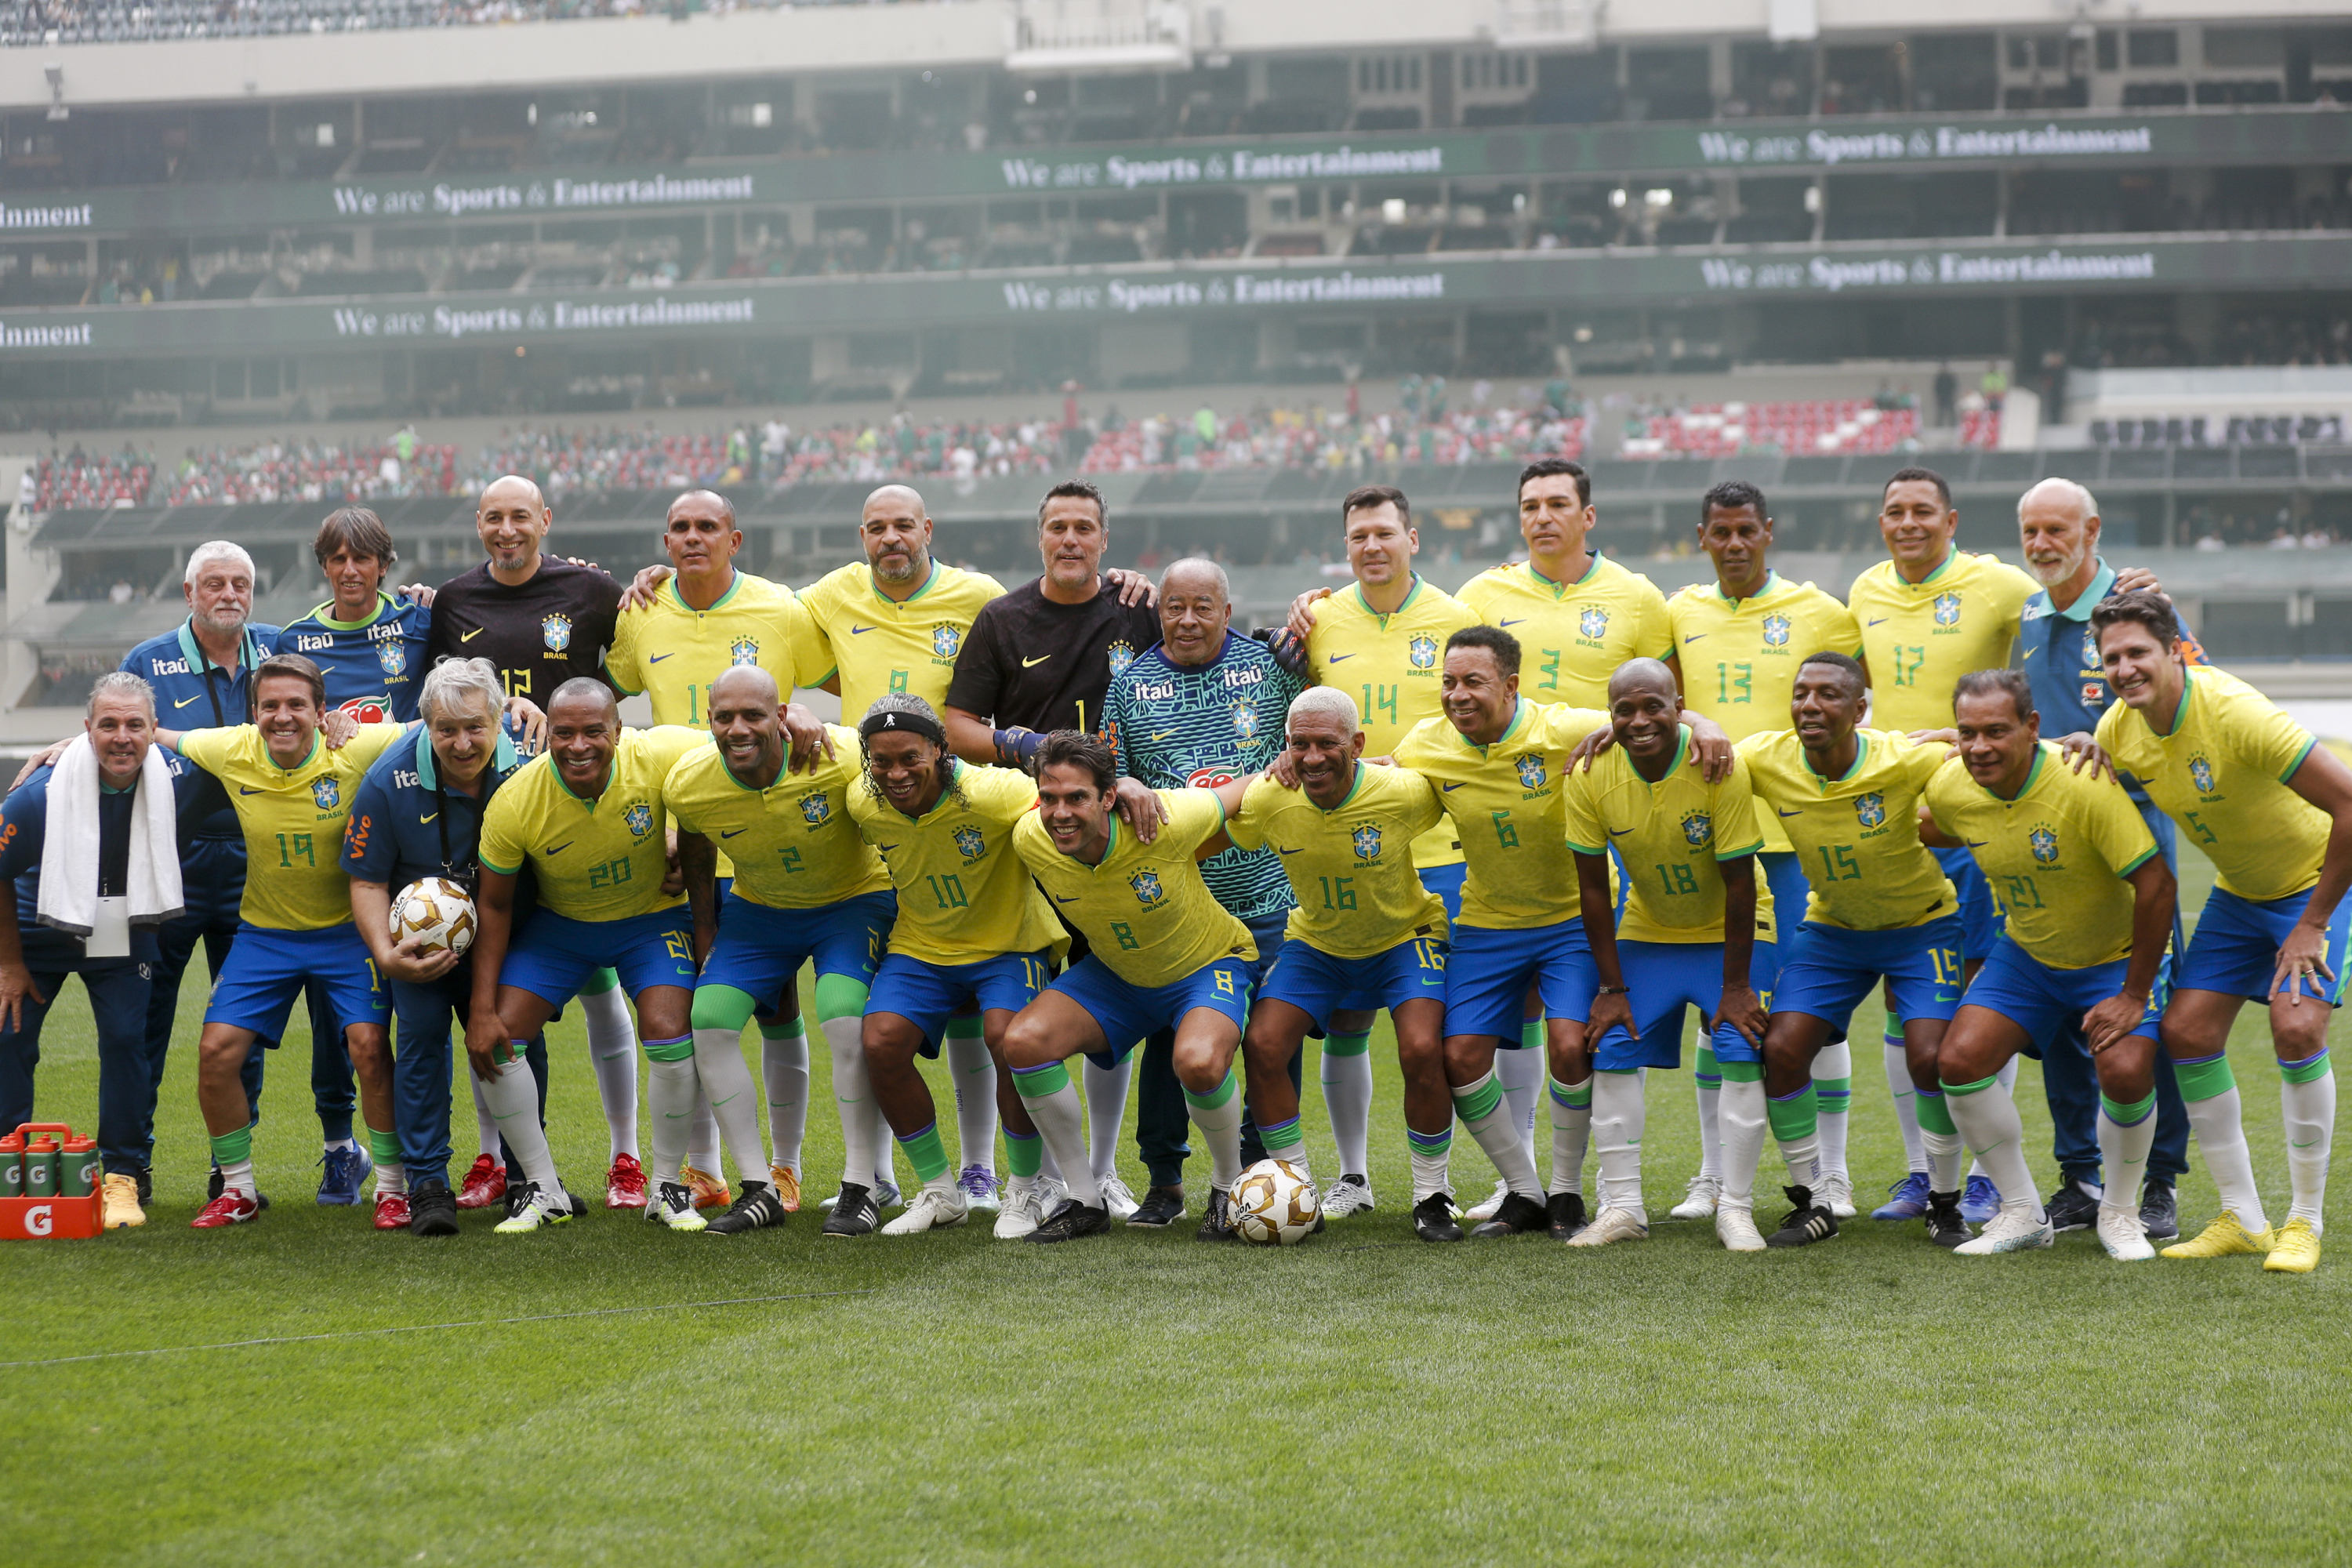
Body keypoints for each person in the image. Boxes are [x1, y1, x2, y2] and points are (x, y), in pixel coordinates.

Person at [1392, 626, 1733, 1241]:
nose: (1457, 695)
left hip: (1570, 926)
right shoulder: (1426, 744)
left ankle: (1569, 1193)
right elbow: (1378, 777)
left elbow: (1648, 713)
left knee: (1573, 1048)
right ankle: (1524, 1192)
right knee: (1461, 1059)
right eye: (1448, 682)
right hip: (1487, 923)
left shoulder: (1561, 728)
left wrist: (1705, 728)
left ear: (1511, 685)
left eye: (1473, 681)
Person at [2092, 590, 2352, 1273]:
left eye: (2138, 653)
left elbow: (2350, 802)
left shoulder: (2235, 713)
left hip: (2314, 884)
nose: (2125, 668)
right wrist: (2075, 744)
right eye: (2112, 657)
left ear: (2175, 650)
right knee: (2187, 1032)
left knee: (2296, 1028)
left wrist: (2312, 924)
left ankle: (2304, 1222)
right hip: (2240, 896)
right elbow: (2099, 764)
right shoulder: (2119, 728)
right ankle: (2242, 1216)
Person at [422, 475, 646, 1213]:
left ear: (546, 521)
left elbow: (651, 632)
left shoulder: (590, 591)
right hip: (501, 804)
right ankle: (493, 1159)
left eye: (521, 516)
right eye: (494, 517)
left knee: (601, 987)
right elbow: (443, 693)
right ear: (478, 523)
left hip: (583, 791)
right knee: (503, 978)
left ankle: (626, 1155)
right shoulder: (454, 601)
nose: (508, 529)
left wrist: (658, 577)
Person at [943, 478, 1162, 1217]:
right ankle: (1027, 1179)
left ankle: (1099, 1174)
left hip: (1124, 834)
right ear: (1040, 537)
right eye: (1058, 527)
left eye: (1084, 528)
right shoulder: (1003, 619)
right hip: (1035, 837)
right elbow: (957, 724)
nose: (1070, 539)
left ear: (1105, 539)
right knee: (1026, 1011)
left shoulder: (1140, 608)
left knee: (1112, 998)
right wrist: (1021, 744)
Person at [606, 488, 829, 1214]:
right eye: (679, 527)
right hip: (681, 839)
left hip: (768, 838)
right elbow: (615, 698)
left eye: (708, 527)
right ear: (664, 541)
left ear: (737, 538)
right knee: (697, 1001)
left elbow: (830, 694)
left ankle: (788, 1165)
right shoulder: (640, 612)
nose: (693, 537)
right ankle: (704, 1167)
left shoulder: (783, 609)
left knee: (778, 1007)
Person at [796, 484, 1010, 1214]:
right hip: (873, 815)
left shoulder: (978, 595)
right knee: (875, 1008)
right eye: (877, 528)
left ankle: (980, 1169)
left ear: (928, 529)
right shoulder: (832, 594)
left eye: (904, 526)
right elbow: (756, 617)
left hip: (958, 812)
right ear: (862, 535)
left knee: (965, 1014)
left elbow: (1032, 636)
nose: (891, 538)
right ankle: (878, 1172)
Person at [1922, 670, 2176, 1260]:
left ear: (2032, 728)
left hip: (2112, 959)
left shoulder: (2081, 780)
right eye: (1967, 733)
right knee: (1958, 1062)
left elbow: (2157, 884)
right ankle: (2022, 1212)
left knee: (2125, 1069)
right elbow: (1938, 826)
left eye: (1996, 731)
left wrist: (2134, 995)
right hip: (2029, 955)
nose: (1979, 747)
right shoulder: (1953, 784)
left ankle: (2119, 1212)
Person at [1661, 480, 1862, 1222]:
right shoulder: (1681, 611)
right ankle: (1714, 1174)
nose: (1735, 543)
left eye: (1747, 530)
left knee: (1816, 1005)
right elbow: (1664, 701)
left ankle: (1834, 1176)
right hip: (1707, 839)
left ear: (1768, 532)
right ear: (1704, 537)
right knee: (1721, 1007)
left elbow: (1851, 701)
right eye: (1722, 532)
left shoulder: (1822, 612)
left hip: (1795, 836)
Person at [1726, 653, 1969, 1251]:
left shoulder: (1901, 756)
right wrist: (1697, 727)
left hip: (1921, 928)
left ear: (1860, 710)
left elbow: (1997, 752)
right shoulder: (1768, 756)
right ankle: (1812, 1202)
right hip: (1833, 930)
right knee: (1781, 1048)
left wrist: (1959, 737)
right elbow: (1703, 746)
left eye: (1829, 695)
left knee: (1929, 1057)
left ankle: (1944, 1202)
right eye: (1801, 693)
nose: (1811, 705)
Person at [1849, 467, 2038, 1225]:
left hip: (1978, 813)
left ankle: (1991, 1178)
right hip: (1899, 822)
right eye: (1895, 510)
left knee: (1984, 986)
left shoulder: (1996, 585)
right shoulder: (1863, 592)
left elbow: (2074, 603)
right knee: (1908, 995)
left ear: (1951, 520)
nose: (1908, 522)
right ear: (1881, 520)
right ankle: (1922, 1174)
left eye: (1923, 511)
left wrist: (2130, 581)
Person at [1287, 488, 1479, 1213]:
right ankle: (1354, 1178)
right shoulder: (1320, 619)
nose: (1372, 546)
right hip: (1345, 848)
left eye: (1384, 534)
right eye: (1359, 536)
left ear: (1413, 539)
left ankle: (1448, 1182)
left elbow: (1475, 717)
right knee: (1346, 1019)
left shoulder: (1458, 619)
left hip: (1440, 842)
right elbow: (1301, 720)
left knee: (1441, 1027)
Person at [2014, 478, 2196, 1243]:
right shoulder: (2028, 614)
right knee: (2063, 1016)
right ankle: (2080, 1174)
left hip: (2135, 844)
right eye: (2029, 531)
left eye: (2056, 529)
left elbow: (2193, 690)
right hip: (2055, 848)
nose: (2042, 543)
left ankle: (2158, 1181)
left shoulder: (2140, 604)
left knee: (2148, 1014)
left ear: (2091, 529)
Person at [170, 654, 410, 1229]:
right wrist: (67, 748)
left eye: (296, 705)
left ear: (321, 712)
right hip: (265, 935)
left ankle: (393, 1188)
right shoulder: (230, 748)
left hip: (347, 935)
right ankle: (239, 1190)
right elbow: (153, 731)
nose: (283, 717)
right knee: (216, 1052)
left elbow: (438, 722)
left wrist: (518, 707)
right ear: (254, 713)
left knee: (370, 1050)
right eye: (270, 706)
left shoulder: (354, 747)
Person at [1102, 558, 1306, 1225]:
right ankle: (1165, 1181)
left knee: (1270, 1040)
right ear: (1158, 610)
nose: (1187, 620)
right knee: (1171, 1039)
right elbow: (1111, 780)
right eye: (1174, 607)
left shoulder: (1273, 666)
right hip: (1178, 904)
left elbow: (1323, 726)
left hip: (1266, 892)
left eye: (1203, 607)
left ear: (1227, 607)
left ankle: (1261, 1172)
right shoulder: (1130, 687)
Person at [466, 680, 710, 1234]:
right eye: (565, 732)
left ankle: (667, 1188)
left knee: (670, 1030)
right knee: (498, 1036)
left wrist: (675, 834)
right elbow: (496, 905)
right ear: (547, 734)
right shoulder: (516, 801)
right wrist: (480, 1007)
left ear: (620, 732)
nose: (579, 745)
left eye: (594, 731)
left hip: (648, 919)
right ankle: (543, 1188)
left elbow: (735, 745)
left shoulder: (661, 755)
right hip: (563, 927)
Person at [1001, 731, 1258, 1243]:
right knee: (1022, 1042)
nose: (1061, 813)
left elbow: (1250, 790)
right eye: (1049, 798)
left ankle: (1229, 1190)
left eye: (1077, 797)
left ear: (1108, 798)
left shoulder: (1164, 818)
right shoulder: (1030, 837)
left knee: (1199, 1062)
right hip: (1117, 975)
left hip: (1206, 964)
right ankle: (1085, 1199)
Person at [672, 666, 894, 1236]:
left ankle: (861, 1186)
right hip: (760, 910)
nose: (738, 729)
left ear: (781, 715)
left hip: (851, 902)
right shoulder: (689, 781)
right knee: (710, 1021)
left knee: (845, 1020)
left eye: (754, 715)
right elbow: (695, 847)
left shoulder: (840, 755)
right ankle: (758, 1189)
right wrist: (704, 931)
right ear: (709, 721)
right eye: (725, 717)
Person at [1561, 659, 1774, 1248]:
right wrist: (1610, 989)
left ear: (1679, 706)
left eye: (1653, 706)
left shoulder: (1717, 764)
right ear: (1609, 716)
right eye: (1624, 710)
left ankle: (1735, 1207)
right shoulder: (1589, 772)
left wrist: (1734, 988)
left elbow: (1740, 884)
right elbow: (1593, 889)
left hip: (1730, 932)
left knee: (1740, 1042)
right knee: (1610, 1042)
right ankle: (1624, 1207)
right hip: (1649, 929)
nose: (1639, 720)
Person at [838, 695, 1062, 1240]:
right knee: (881, 1043)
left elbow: (1066, 801)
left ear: (939, 749)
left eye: (910, 757)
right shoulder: (863, 803)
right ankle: (941, 1192)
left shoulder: (995, 792)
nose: (895, 773)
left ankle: (1026, 1189)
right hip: (922, 947)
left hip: (1011, 943)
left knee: (1008, 1041)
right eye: (881, 760)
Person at [1228, 688, 1451, 1225]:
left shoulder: (1403, 792)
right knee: (1262, 1044)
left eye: (1327, 743)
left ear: (1357, 744)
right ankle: (1298, 1194)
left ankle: (1431, 1196)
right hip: (1320, 944)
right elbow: (1214, 828)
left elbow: (1463, 793)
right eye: (1298, 744)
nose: (1311, 757)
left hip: (1405, 937)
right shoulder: (1270, 798)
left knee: (1423, 1048)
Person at [342, 657, 542, 1239]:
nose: (462, 743)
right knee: (422, 1043)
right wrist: (386, 951)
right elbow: (366, 879)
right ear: (425, 725)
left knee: (514, 1038)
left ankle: (529, 1177)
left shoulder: (531, 764)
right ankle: (428, 1183)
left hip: (509, 934)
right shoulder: (388, 779)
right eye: (446, 729)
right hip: (421, 949)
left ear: (500, 719)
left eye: (476, 727)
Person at [0, 673, 201, 1229]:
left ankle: (123, 1177)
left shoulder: (180, 781)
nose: (121, 737)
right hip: (37, 922)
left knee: (122, 1039)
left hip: (120, 926)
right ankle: (6, 1167)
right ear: (86, 730)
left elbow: (249, 750)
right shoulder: (39, 795)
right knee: (8, 1034)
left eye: (135, 724)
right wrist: (10, 964)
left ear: (155, 731)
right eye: (108, 724)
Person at [280, 508, 434, 726]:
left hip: (405, 760)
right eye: (339, 559)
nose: (349, 570)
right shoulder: (294, 642)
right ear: (325, 567)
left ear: (383, 565)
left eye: (361, 558)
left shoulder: (417, 618)